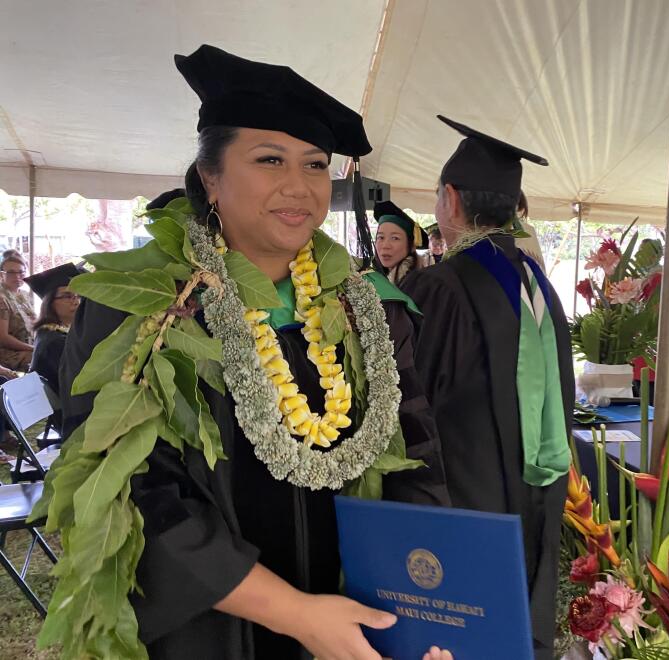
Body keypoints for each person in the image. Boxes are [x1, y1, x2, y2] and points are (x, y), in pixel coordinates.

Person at [57, 45, 450, 660]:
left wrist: (426, 612)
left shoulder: (366, 308)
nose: (299, 188)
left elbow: (417, 451)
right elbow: (137, 490)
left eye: (315, 165)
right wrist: (294, 615)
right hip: (212, 631)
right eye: (269, 159)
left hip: (354, 624)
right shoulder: (147, 311)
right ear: (210, 176)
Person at [402, 115, 573, 659]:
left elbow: (414, 403)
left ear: (450, 200)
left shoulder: (441, 286)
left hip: (464, 499)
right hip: (533, 492)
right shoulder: (538, 282)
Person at [26, 263, 82, 433]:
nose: (76, 301)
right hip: (74, 418)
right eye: (67, 296)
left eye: (77, 295)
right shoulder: (53, 342)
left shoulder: (54, 334)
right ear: (50, 302)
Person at [373, 199, 428, 286]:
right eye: (381, 237)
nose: (385, 246)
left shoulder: (419, 284)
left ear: (412, 245)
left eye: (395, 238)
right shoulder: (374, 278)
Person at [0, 252, 35, 370]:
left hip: (29, 345)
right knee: (45, 358)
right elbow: (3, 338)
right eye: (11, 273)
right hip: (8, 353)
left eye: (21, 272)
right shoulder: (2, 298)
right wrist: (33, 348)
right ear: (1, 275)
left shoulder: (24, 295)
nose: (17, 276)